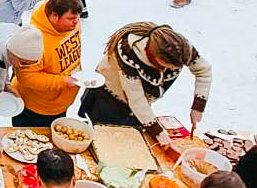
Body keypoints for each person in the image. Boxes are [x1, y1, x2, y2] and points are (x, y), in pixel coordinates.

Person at [82, 20, 212, 132]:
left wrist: (198, 107)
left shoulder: (181, 49)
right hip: (109, 96)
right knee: (104, 134)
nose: (174, 69)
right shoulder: (129, 52)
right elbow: (136, 99)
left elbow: (203, 71)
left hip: (138, 103)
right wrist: (158, 132)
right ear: (156, 58)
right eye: (171, 66)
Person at [10, 0, 85, 127]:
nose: (76, 22)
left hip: (60, 103)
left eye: (78, 17)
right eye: (71, 18)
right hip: (35, 109)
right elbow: (26, 78)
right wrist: (63, 81)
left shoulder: (71, 25)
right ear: (54, 16)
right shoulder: (34, 40)